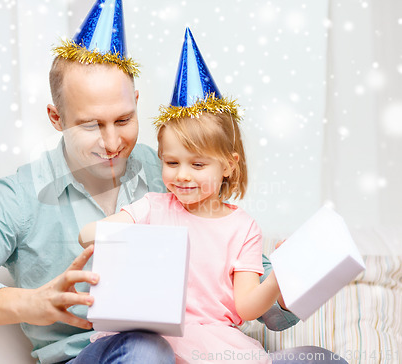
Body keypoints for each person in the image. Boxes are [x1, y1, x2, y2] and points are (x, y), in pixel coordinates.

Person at [0, 1, 303, 363]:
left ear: (137, 102)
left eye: (124, 120)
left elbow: (248, 289)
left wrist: (289, 278)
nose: (113, 144)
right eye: (91, 125)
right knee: (146, 350)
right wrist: (30, 303)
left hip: (195, 348)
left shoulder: (170, 173)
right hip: (93, 356)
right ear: (56, 118)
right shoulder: (20, 196)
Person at [79, 28, 348, 364]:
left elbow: (246, 306)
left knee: (324, 359)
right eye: (171, 162)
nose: (182, 175)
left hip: (215, 342)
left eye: (198, 164)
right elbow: (87, 234)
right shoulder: (153, 207)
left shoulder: (244, 228)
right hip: (157, 340)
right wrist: (134, 241)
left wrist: (278, 277)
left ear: (227, 166)